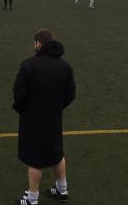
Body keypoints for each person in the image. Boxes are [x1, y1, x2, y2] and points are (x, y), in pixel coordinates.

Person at [13, 29, 76, 205]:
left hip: (32, 120)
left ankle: (32, 199)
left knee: (34, 160)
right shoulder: (65, 66)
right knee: (57, 153)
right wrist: (56, 107)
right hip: (54, 119)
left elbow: (19, 94)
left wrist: (24, 110)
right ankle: (62, 190)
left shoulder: (29, 65)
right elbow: (70, 94)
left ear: (39, 44)